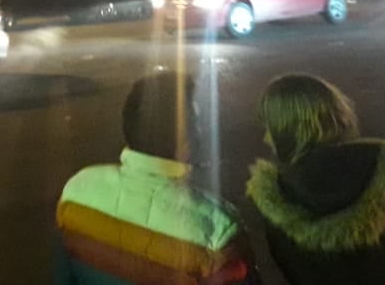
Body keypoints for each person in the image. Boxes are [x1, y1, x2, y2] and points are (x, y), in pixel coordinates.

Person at [54, 72, 257, 284]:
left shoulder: (77, 191)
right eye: (196, 123)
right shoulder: (218, 230)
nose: (200, 131)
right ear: (184, 141)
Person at [246, 75, 385, 284]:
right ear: (339, 114)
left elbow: (291, 270)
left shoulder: (278, 198)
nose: (266, 138)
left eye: (269, 128)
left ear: (285, 131)